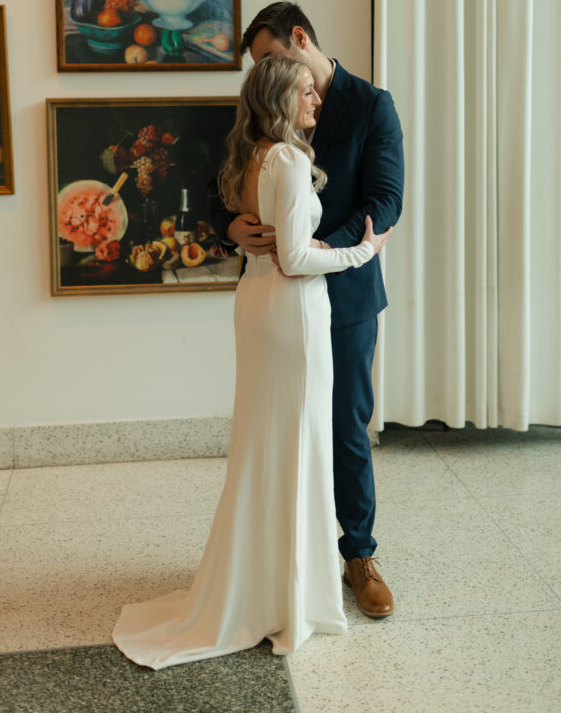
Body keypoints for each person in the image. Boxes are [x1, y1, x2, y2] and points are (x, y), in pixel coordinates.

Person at [112, 55, 392, 668]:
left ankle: (268, 583)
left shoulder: (254, 156)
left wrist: (316, 247)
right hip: (290, 310)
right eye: (306, 93)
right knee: (298, 444)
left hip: (259, 302)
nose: (316, 100)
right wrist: (362, 252)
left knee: (271, 444)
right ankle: (290, 596)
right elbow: (295, 259)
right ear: (280, 100)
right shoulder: (290, 161)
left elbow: (277, 246)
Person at [209, 1, 405, 618]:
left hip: (342, 298)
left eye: (269, 59)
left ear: (299, 39)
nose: (261, 75)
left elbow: (385, 201)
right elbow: (223, 181)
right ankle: (283, 556)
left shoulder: (373, 106)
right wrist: (231, 227)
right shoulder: (264, 107)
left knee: (346, 427)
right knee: (279, 424)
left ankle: (359, 556)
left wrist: (328, 249)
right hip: (279, 299)